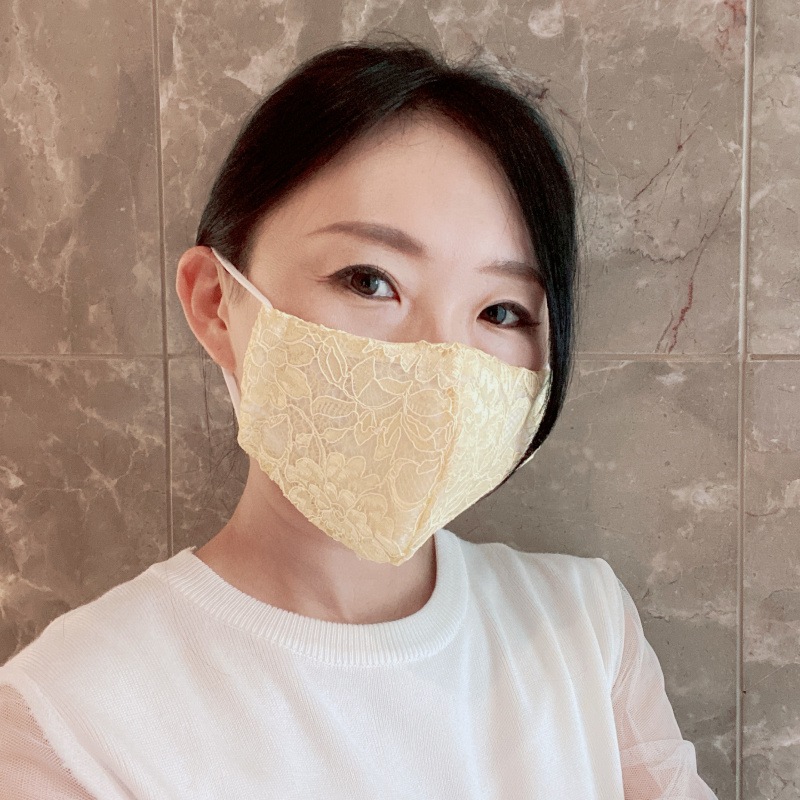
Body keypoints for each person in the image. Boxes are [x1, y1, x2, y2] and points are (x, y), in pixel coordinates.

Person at [0, 38, 719, 799]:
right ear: (217, 302)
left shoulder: (584, 630)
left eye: (502, 311)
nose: (441, 360)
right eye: (371, 281)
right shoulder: (68, 721)